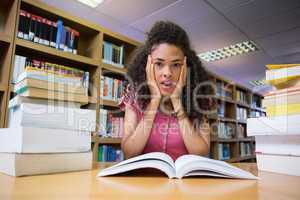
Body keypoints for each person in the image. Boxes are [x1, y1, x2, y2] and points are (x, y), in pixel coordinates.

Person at [120, 21, 215, 161]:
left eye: (176, 65)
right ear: (147, 65)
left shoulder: (199, 98)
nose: (167, 73)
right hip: (144, 181)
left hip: (183, 181)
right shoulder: (134, 97)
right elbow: (129, 152)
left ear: (186, 67)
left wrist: (177, 102)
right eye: (159, 64)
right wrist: (154, 101)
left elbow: (201, 155)